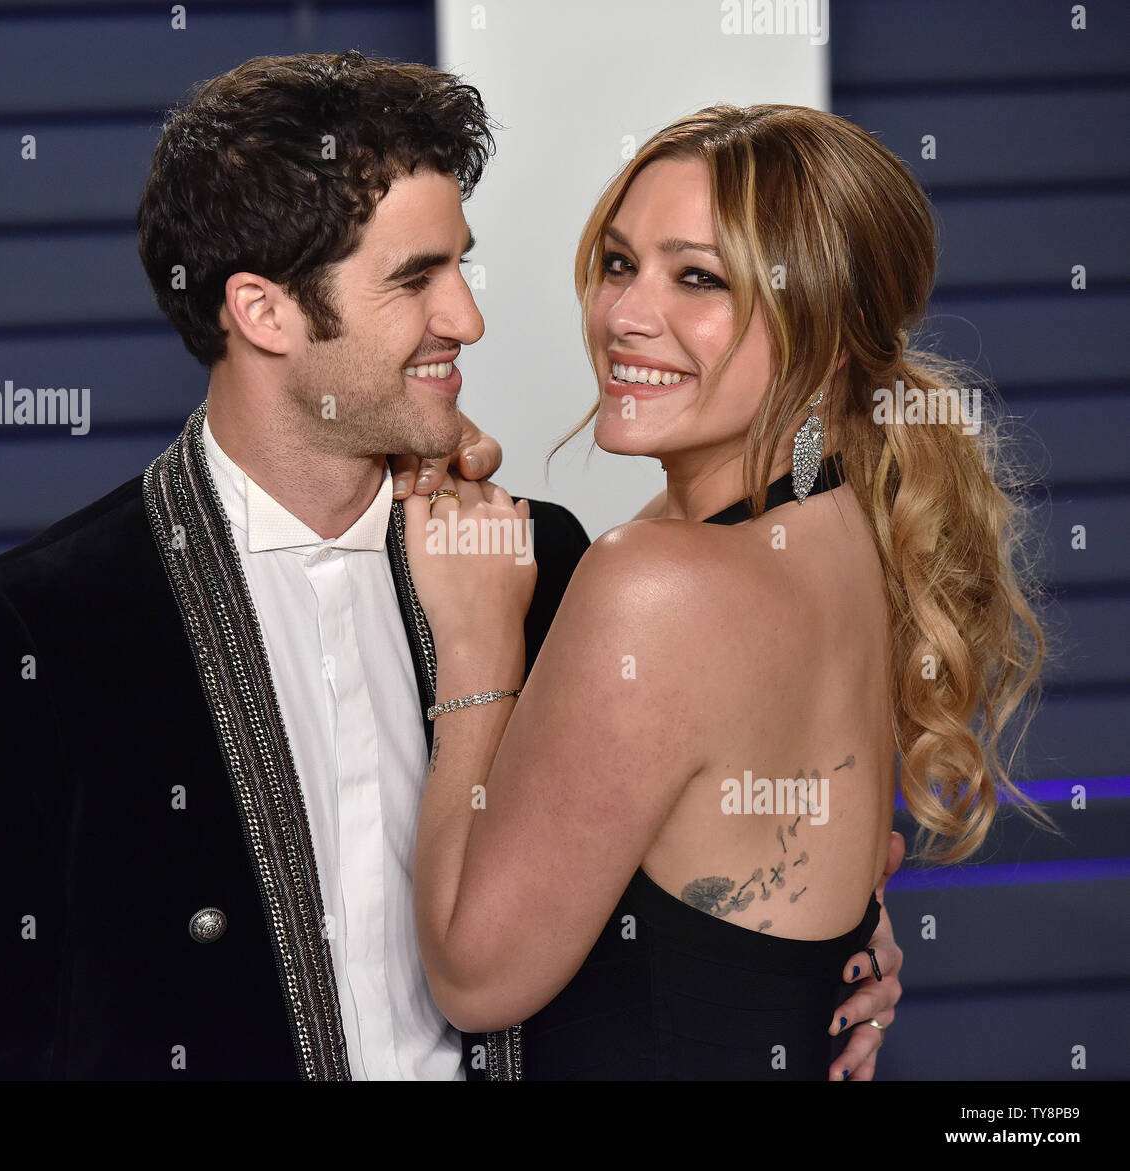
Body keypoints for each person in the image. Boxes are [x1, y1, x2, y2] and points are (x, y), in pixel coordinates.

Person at [0, 57, 900, 1081]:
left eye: (461, 266)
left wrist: (827, 940)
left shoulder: (549, 566)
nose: (467, 317)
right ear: (263, 312)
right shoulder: (35, 633)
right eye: (416, 278)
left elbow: (699, 844)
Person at [404, 103, 1046, 1079]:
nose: (624, 314)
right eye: (619, 263)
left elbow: (475, 976)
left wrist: (478, 647)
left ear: (828, 331)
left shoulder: (655, 584)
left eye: (697, 278)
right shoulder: (849, 528)